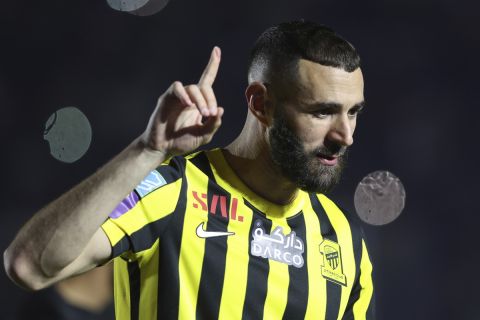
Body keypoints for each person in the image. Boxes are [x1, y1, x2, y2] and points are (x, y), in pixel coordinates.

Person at [4, 20, 375, 319]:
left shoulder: (345, 240)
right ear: (261, 104)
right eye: (322, 112)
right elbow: (29, 266)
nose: (345, 136)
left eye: (353, 112)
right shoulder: (173, 191)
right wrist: (147, 151)